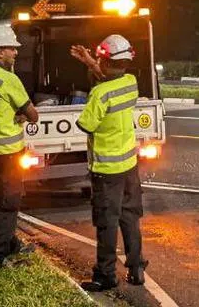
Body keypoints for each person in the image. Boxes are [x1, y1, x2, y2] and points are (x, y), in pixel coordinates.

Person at [70, 34, 148, 291]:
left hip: (106, 170)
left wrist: (94, 68)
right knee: (129, 217)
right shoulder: (130, 82)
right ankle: (136, 268)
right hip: (129, 165)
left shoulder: (99, 94)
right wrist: (91, 63)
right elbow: (109, 78)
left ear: (105, 61)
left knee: (106, 223)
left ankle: (105, 275)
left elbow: (86, 124)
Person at [0, 23, 40, 268]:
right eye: (12, 49)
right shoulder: (8, 79)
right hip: (10, 152)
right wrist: (24, 116)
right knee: (7, 203)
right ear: (0, 52)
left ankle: (11, 243)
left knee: (0, 196)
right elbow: (32, 114)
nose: (15, 53)